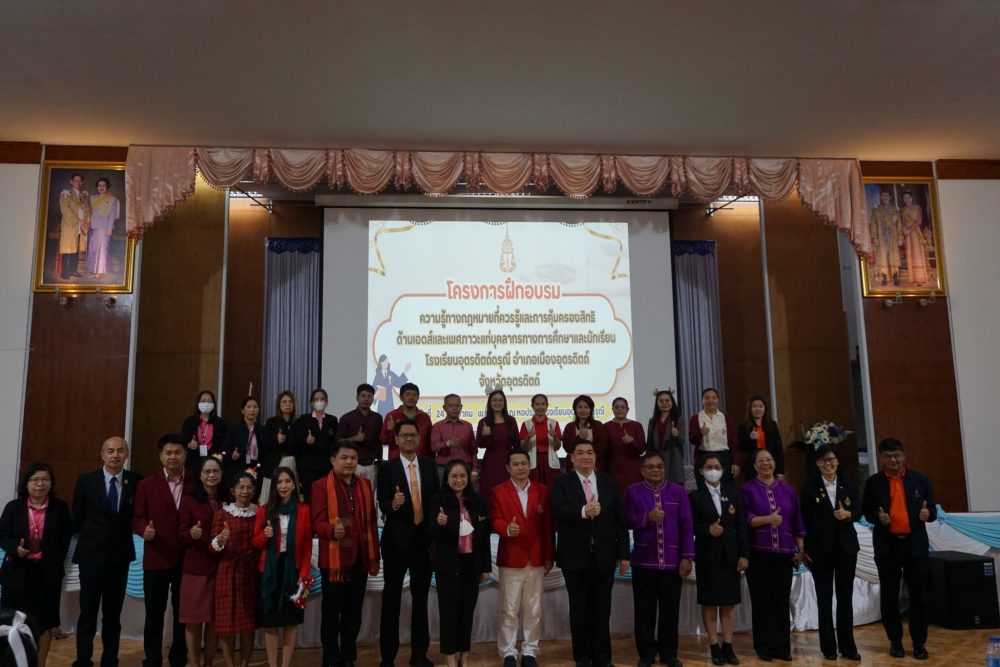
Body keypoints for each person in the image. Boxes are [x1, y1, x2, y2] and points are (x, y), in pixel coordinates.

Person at [551, 438, 630, 667]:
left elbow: (620, 521)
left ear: (595, 457)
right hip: (574, 557)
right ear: (572, 458)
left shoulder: (609, 484)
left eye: (589, 452)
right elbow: (558, 511)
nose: (585, 456)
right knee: (579, 610)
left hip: (604, 556)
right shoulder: (562, 483)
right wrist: (584, 511)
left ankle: (603, 658)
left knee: (602, 610)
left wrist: (624, 554)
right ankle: (583, 658)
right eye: (580, 453)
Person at [862, 438, 936, 660]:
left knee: (919, 595)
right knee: (889, 596)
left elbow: (932, 510)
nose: (893, 460)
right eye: (888, 456)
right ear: (881, 458)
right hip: (887, 546)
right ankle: (895, 641)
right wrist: (878, 518)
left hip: (915, 545)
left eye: (896, 455)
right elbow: (866, 512)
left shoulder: (920, 480)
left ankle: (919, 643)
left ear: (904, 455)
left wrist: (927, 515)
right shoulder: (873, 483)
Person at [72, 436, 142, 667]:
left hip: (119, 558)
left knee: (113, 615)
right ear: (102, 454)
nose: (115, 455)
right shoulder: (86, 481)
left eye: (120, 450)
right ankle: (83, 660)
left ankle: (110, 659)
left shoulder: (136, 481)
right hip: (91, 557)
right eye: (110, 451)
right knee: (87, 612)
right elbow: (78, 517)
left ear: (127, 454)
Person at [311, 441, 381, 667]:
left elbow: (371, 523)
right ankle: (331, 658)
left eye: (353, 458)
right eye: (344, 457)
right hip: (334, 562)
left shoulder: (365, 484)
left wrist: (374, 556)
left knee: (353, 614)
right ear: (333, 460)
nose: (349, 462)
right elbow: (317, 523)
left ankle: (348, 657)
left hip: (360, 558)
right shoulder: (320, 486)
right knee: (332, 614)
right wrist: (332, 530)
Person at [377, 421, 440, 667]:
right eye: (404, 435)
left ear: (419, 438)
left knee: (420, 599)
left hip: (423, 543)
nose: (409, 439)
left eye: (413, 435)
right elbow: (383, 503)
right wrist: (393, 504)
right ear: (396, 440)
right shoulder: (387, 468)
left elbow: (435, 502)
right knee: (391, 600)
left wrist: (435, 536)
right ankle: (388, 657)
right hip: (395, 543)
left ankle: (419, 654)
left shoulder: (429, 466)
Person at [623, 451, 694, 667]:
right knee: (644, 611)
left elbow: (687, 525)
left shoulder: (678, 491)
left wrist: (687, 556)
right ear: (643, 470)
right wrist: (647, 517)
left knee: (670, 611)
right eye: (651, 467)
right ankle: (646, 654)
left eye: (660, 466)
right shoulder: (633, 491)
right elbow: (625, 520)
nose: (656, 470)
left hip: (672, 562)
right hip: (643, 561)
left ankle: (669, 654)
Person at [0, 463, 72, 667]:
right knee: (13, 621)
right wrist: (15, 548)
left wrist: (52, 558)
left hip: (47, 574)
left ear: (51, 483)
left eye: (45, 479)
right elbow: (2, 535)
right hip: (17, 573)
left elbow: (65, 538)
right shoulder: (14, 507)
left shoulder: (60, 508)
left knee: (45, 623)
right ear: (26, 483)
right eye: (35, 480)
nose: (40, 484)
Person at [490, 449, 555, 667]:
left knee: (533, 608)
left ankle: (530, 652)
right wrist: (507, 528)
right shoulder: (498, 491)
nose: (520, 468)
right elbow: (494, 519)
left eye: (524, 463)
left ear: (530, 466)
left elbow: (547, 526)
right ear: (508, 468)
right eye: (516, 464)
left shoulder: (542, 490)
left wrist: (549, 555)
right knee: (509, 609)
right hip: (511, 556)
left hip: (536, 557)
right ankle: (508, 653)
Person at [132, 434, 192, 667]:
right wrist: (143, 530)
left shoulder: (195, 481)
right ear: (160, 456)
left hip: (186, 557)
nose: (172, 457)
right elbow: (137, 518)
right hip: (156, 555)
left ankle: (179, 658)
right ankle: (153, 659)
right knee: (154, 613)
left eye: (177, 452)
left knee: (182, 612)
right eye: (168, 453)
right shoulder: (146, 484)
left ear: (185, 454)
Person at [740, 448, 805, 662]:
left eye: (769, 460)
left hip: (784, 554)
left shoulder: (788, 490)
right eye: (761, 461)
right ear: (754, 465)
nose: (765, 464)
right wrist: (768, 519)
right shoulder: (746, 489)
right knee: (762, 601)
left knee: (781, 600)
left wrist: (800, 550)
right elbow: (745, 518)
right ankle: (764, 646)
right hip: (758, 553)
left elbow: (797, 522)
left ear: (775, 463)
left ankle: (782, 647)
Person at [801, 444, 861, 661]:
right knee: (824, 599)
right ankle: (828, 647)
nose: (828, 463)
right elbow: (804, 520)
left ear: (837, 461)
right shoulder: (810, 487)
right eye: (824, 460)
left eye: (832, 459)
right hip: (820, 550)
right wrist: (804, 549)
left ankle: (848, 646)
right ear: (817, 464)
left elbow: (859, 509)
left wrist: (849, 514)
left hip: (846, 549)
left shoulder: (848, 484)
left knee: (845, 598)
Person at [430, 460, 492, 667]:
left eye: (462, 476)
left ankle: (464, 657)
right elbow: (431, 534)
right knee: (449, 613)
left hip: (471, 565)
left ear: (469, 478)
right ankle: (449, 657)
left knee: (467, 613)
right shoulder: (438, 501)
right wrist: (439, 524)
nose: (459, 480)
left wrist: (485, 567)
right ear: (447, 479)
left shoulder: (478, 501)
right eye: (454, 476)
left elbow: (483, 537)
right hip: (448, 566)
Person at [689, 454, 748, 666]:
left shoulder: (733, 493)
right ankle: (714, 646)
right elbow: (689, 526)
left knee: (728, 603)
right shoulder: (695, 496)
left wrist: (744, 554)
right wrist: (707, 529)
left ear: (723, 471)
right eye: (709, 467)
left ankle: (728, 646)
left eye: (717, 467)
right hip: (707, 557)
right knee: (710, 602)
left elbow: (741, 526)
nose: (713, 470)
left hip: (730, 556)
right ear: (701, 471)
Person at [251, 467, 312, 667]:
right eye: (279, 482)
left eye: (287, 481)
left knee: (290, 621)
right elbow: (255, 543)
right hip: (269, 572)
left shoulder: (304, 510)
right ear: (274, 486)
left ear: (294, 485)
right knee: (270, 622)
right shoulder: (264, 510)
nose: (283, 486)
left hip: (293, 570)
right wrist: (264, 535)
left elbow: (307, 547)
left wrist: (304, 574)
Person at [178, 457, 226, 667]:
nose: (211, 475)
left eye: (215, 471)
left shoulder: (227, 498)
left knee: (214, 621)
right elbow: (180, 533)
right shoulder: (189, 500)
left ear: (221, 474)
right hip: (196, 567)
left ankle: (208, 663)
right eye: (207, 471)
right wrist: (191, 533)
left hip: (221, 567)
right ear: (200, 475)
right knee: (194, 620)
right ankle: (195, 662)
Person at [210, 472, 259, 667]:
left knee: (248, 624)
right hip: (227, 572)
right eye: (241, 487)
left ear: (254, 491)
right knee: (226, 624)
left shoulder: (259, 512)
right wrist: (221, 539)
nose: (245, 491)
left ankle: (245, 664)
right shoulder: (222, 514)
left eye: (249, 487)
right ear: (233, 490)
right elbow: (212, 547)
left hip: (250, 573)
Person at [476, 389, 520, 512]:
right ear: (490, 402)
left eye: (500, 400)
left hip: (508, 462)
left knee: (508, 494)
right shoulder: (484, 422)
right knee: (489, 493)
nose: (497, 403)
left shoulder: (511, 420)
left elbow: (517, 444)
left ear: (504, 403)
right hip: (490, 462)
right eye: (494, 400)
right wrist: (484, 435)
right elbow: (480, 445)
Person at [294, 388, 338, 504]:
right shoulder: (303, 419)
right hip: (308, 467)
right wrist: (306, 441)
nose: (319, 402)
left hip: (326, 466)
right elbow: (297, 442)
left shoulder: (332, 420)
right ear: (311, 402)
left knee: (325, 498)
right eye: (316, 399)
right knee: (309, 497)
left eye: (322, 399)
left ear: (326, 402)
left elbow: (335, 443)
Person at [336, 383, 384, 488]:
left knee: (369, 495)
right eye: (363, 396)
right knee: (351, 494)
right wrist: (354, 438)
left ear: (373, 399)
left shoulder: (377, 418)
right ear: (357, 398)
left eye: (369, 396)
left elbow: (379, 442)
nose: (366, 399)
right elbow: (338, 442)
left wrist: (380, 463)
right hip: (352, 465)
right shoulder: (346, 418)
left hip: (372, 465)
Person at [689, 388, 739, 486]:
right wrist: (700, 433)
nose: (710, 400)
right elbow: (692, 440)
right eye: (707, 398)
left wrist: (736, 462)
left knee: (725, 488)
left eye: (714, 397)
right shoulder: (695, 418)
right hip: (703, 457)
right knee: (704, 489)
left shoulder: (726, 418)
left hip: (724, 457)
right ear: (702, 400)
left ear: (718, 400)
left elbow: (733, 442)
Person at [260, 391, 298, 503]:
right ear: (279, 405)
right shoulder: (272, 422)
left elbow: (298, 447)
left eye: (290, 402)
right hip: (273, 464)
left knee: (289, 496)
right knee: (270, 497)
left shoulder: (296, 424)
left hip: (290, 462)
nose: (288, 404)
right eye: (284, 402)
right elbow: (264, 444)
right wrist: (276, 440)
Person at [378, 382, 432, 459]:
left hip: (420, 461)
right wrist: (389, 430)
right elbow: (384, 441)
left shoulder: (424, 417)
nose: (411, 397)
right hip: (397, 461)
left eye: (414, 395)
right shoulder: (392, 416)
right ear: (401, 397)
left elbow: (429, 443)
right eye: (408, 394)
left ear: (418, 398)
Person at [518, 393, 562, 486]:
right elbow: (524, 448)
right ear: (532, 406)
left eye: (543, 404)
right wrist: (528, 437)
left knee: (551, 489)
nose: (540, 407)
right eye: (537, 404)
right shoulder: (526, 424)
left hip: (550, 462)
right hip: (533, 462)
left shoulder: (554, 423)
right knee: (534, 489)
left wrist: (555, 436)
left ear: (547, 405)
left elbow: (557, 447)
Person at [430, 394, 477, 483]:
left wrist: (474, 470)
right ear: (444, 408)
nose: (454, 408)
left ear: (461, 407)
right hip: (443, 469)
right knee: (443, 492)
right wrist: (448, 443)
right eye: (451, 406)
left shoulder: (468, 426)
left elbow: (473, 450)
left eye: (457, 406)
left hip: (465, 468)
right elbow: (434, 447)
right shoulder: (437, 426)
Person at [737, 395, 784, 482]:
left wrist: (780, 471)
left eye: (761, 406)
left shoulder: (772, 425)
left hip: (770, 465)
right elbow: (741, 447)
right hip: (752, 467)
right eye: (754, 406)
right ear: (750, 409)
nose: (758, 409)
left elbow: (778, 448)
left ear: (765, 409)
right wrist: (750, 438)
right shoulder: (744, 426)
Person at [605, 396, 647, 493]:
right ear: (612, 409)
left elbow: (642, 449)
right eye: (616, 407)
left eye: (622, 407)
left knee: (634, 495)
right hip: (612, 469)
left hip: (633, 469)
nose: (619, 409)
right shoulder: (606, 426)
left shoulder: (637, 425)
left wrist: (632, 441)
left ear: (627, 409)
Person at [221, 396, 266, 484]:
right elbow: (224, 451)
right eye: (249, 407)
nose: (252, 410)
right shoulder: (234, 428)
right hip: (237, 469)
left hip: (256, 469)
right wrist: (231, 454)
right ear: (242, 410)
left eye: (255, 407)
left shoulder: (262, 429)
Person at [181, 390, 227, 473]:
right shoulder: (189, 422)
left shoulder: (220, 423)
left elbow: (224, 444)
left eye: (209, 401)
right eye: (203, 401)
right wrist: (189, 444)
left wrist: (221, 455)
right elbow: (182, 441)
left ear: (213, 404)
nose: (206, 403)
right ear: (198, 403)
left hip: (213, 462)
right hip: (194, 462)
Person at [561, 395, 608, 472]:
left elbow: (602, 447)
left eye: (586, 407)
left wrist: (586, 454)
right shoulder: (569, 426)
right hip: (574, 468)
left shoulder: (598, 425)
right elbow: (567, 448)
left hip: (595, 467)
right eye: (579, 407)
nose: (583, 410)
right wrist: (579, 437)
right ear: (575, 409)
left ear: (591, 409)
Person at [646, 390, 684, 484]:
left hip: (673, 459)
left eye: (667, 400)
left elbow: (683, 441)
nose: (664, 403)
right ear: (657, 403)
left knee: (674, 488)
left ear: (672, 402)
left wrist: (677, 435)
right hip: (657, 460)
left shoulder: (678, 419)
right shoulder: (652, 421)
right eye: (661, 401)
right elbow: (650, 444)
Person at [58, 173, 90, 280]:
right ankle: (65, 272)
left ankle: (73, 270)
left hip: (81, 226)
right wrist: (77, 220)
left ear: (82, 183)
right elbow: (65, 209)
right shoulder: (66, 194)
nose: (78, 183)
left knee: (76, 248)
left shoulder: (83, 195)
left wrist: (86, 222)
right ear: (71, 182)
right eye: (76, 180)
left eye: (80, 181)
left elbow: (87, 210)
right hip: (70, 225)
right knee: (68, 248)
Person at [86, 177, 119, 278]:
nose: (101, 187)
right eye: (99, 185)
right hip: (93, 227)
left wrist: (109, 228)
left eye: (104, 185)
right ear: (97, 187)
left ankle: (99, 272)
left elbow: (112, 215)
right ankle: (93, 270)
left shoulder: (112, 199)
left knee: (102, 250)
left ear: (107, 186)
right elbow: (88, 212)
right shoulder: (92, 198)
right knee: (93, 249)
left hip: (104, 228)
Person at [870, 188, 903, 286]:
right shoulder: (876, 209)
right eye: (883, 195)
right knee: (883, 256)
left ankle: (895, 276)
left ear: (890, 197)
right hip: (881, 236)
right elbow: (873, 224)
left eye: (887, 195)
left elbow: (899, 224)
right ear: (880, 197)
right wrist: (875, 237)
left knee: (893, 255)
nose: (885, 197)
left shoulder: (894, 209)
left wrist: (900, 237)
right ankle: (884, 276)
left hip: (893, 236)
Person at [900, 191, 930, 286]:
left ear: (911, 198)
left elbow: (919, 221)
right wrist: (905, 230)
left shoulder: (917, 208)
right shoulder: (902, 210)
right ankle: (913, 278)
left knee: (917, 254)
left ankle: (920, 278)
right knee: (910, 254)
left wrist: (910, 230)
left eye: (908, 197)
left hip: (915, 233)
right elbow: (902, 222)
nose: (906, 199)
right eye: (904, 198)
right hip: (907, 234)